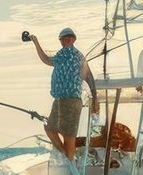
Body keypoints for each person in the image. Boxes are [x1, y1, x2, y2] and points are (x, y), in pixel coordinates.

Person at [29, 27, 97, 160]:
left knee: (68, 135)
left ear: (73, 40)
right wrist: (36, 43)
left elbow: (89, 77)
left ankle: (69, 160)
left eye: (68, 38)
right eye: (63, 39)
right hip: (60, 99)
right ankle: (67, 158)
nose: (65, 41)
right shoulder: (63, 54)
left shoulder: (74, 54)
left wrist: (95, 99)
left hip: (71, 99)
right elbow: (47, 60)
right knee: (50, 129)